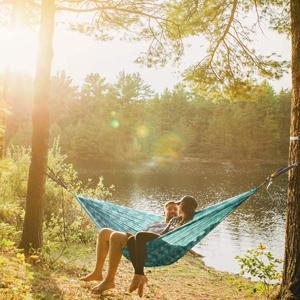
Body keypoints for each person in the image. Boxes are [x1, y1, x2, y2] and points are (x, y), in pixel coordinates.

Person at [80, 200, 179, 294]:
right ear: (164, 212)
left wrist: (178, 220)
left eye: (175, 209)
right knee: (104, 232)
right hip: (137, 241)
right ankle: (97, 273)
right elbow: (142, 233)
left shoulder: (176, 226)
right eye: (169, 209)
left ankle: (109, 280)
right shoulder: (156, 223)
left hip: (152, 247)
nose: (173, 211)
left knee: (115, 236)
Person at [127, 195, 198, 297]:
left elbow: (187, 235)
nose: (178, 206)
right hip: (162, 238)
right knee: (131, 240)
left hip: (169, 243)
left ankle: (138, 275)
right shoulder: (175, 219)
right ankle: (140, 274)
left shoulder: (189, 222)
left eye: (180, 204)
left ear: (183, 206)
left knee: (140, 235)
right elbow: (164, 231)